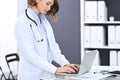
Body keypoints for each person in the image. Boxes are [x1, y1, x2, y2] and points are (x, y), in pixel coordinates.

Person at [15, 0, 80, 80]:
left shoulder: (45, 23)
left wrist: (66, 64)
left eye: (51, 5)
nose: (49, 8)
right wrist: (55, 69)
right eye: (47, 3)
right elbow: (30, 55)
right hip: (31, 76)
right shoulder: (22, 22)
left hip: (45, 75)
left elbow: (54, 49)